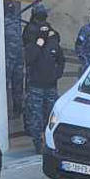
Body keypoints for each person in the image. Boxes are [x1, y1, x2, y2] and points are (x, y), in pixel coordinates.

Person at [23, 25, 64, 155]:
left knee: (51, 116)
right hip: (36, 87)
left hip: (51, 87)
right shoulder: (33, 46)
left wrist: (56, 74)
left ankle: (50, 141)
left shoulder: (54, 46)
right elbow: (28, 59)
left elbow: (61, 61)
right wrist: (38, 45)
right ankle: (38, 143)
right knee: (36, 118)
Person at [4, 2, 26, 120]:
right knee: (18, 85)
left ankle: (3, 108)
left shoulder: (2, 22)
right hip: (18, 58)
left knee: (4, 85)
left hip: (7, 58)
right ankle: (17, 109)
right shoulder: (17, 21)